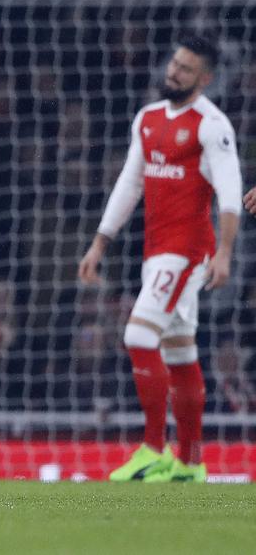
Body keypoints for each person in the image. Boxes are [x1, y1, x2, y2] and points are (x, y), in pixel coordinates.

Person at [78, 35, 241, 483]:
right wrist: (100, 243)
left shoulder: (211, 125)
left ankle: (152, 448)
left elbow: (230, 192)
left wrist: (223, 253)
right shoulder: (148, 119)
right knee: (180, 352)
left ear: (204, 79)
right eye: (174, 63)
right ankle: (190, 463)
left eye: (186, 69)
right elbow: (130, 184)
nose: (174, 72)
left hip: (188, 252)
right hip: (155, 252)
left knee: (137, 335)